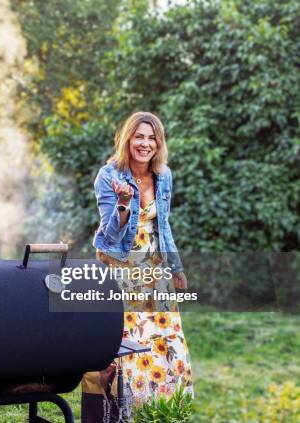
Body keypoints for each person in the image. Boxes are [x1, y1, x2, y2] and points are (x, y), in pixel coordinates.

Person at [81, 112, 193, 421]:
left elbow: (164, 225)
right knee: (130, 343)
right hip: (120, 265)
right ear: (128, 139)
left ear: (159, 143)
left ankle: (164, 412)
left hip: (154, 267)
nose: (145, 144)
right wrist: (122, 204)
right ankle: (125, 413)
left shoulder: (163, 175)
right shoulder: (109, 176)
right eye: (139, 137)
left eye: (152, 138)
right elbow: (109, 236)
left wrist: (176, 266)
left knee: (168, 339)